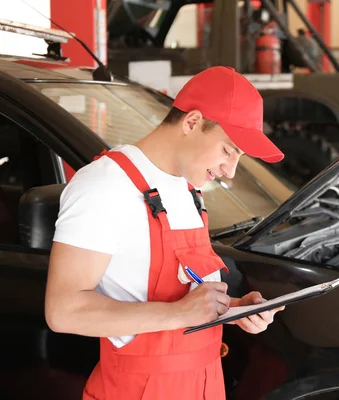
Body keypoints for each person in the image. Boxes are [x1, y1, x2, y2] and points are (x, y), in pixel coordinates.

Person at [44, 66, 286, 400]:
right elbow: (63, 311)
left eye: (238, 158)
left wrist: (233, 309)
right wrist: (178, 314)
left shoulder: (188, 191)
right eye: (228, 151)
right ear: (192, 122)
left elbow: (175, 300)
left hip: (203, 386)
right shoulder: (104, 185)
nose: (230, 171)